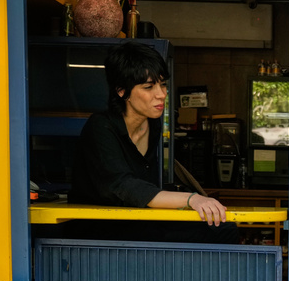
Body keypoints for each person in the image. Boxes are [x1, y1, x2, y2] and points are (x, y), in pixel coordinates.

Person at [70, 41, 237, 242]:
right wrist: (192, 199)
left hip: (138, 221)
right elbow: (124, 186)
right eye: (149, 87)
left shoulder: (153, 125)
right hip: (98, 231)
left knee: (224, 229)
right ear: (122, 91)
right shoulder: (100, 128)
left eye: (163, 84)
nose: (161, 94)